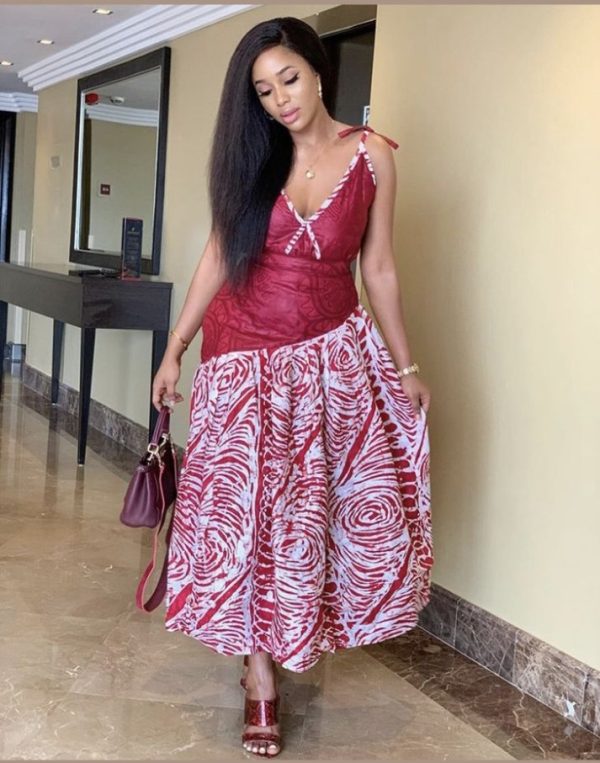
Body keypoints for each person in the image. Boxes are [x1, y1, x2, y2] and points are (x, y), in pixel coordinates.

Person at [151, 16, 433, 759]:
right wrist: (175, 349)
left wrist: (407, 367)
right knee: (244, 519)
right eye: (264, 90)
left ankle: (291, 635)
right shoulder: (254, 159)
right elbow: (218, 256)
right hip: (242, 363)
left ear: (316, 70)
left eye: (290, 79)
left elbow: (379, 268)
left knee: (304, 520)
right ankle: (260, 677)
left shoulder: (372, 157)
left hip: (327, 366)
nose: (281, 99)